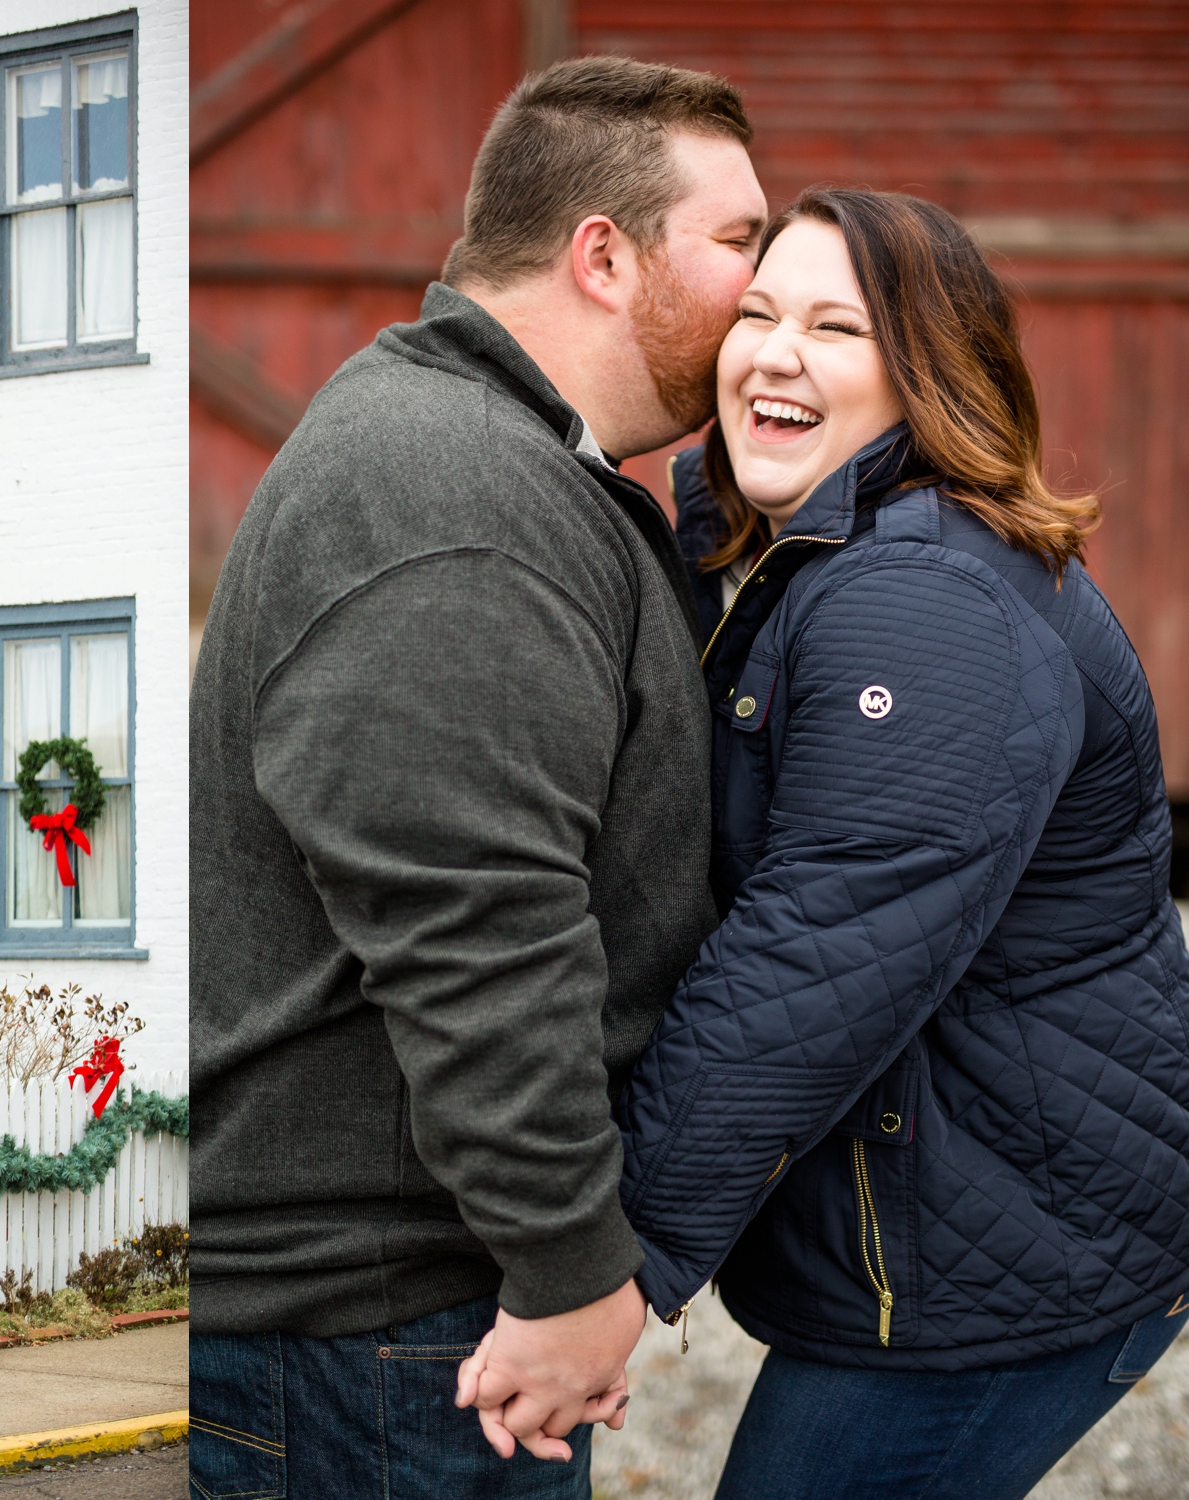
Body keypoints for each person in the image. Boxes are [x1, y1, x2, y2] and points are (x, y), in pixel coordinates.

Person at [501, 188, 1189, 1497]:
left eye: (835, 326)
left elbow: (809, 966)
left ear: (928, 376)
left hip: (1008, 1251)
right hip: (977, 1212)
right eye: (756, 313)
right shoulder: (816, 550)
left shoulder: (923, 599)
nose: (775, 349)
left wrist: (614, 1266)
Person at [188, 56, 767, 1497]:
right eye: (742, 242)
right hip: (372, 1336)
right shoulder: (451, 494)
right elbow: (476, 923)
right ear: (603, 256)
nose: (765, 289)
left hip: (391, 1317)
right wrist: (573, 1270)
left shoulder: (497, 459)